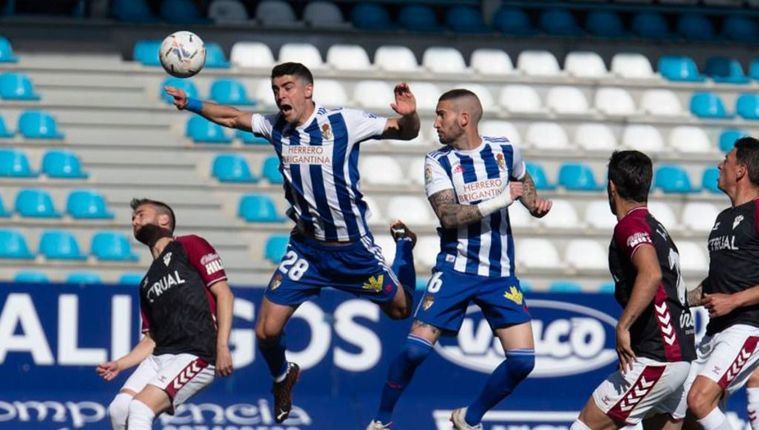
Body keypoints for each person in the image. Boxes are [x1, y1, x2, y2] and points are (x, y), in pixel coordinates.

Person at [165, 62, 420, 423]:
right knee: (265, 331)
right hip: (306, 249)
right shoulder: (276, 127)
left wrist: (410, 117)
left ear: (307, 90)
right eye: (275, 89)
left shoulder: (343, 122)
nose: (280, 95)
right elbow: (233, 117)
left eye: (286, 87)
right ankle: (283, 377)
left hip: (351, 249)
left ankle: (405, 249)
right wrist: (191, 103)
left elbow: (403, 132)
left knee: (400, 310)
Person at [365, 89, 552, 430]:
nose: (435, 123)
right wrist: (500, 200)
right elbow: (448, 215)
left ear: (463, 118)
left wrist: (533, 203)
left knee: (523, 361)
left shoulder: (504, 149)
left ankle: (469, 418)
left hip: (500, 274)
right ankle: (381, 420)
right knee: (415, 352)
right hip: (456, 269)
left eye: (441, 115)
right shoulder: (437, 161)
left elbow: (522, 178)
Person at [570, 151, 696, 430]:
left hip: (658, 356)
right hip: (679, 356)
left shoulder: (630, 225)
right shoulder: (657, 227)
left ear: (611, 187)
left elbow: (650, 275)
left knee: (584, 427)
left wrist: (623, 326)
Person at [96, 198, 234, 429]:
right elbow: (152, 339)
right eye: (132, 218)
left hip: (197, 352)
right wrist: (120, 364)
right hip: (161, 355)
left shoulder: (190, 245)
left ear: (164, 220)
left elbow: (224, 294)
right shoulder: (147, 282)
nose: (135, 220)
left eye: (140, 214)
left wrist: (222, 346)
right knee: (119, 409)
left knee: (140, 408)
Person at [682, 137, 759, 430]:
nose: (719, 164)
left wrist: (734, 300)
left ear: (740, 170)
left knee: (699, 401)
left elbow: (731, 294)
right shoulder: (723, 218)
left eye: (726, 159)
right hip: (716, 330)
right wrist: (678, 299)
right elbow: (717, 281)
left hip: (747, 326)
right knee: (689, 416)